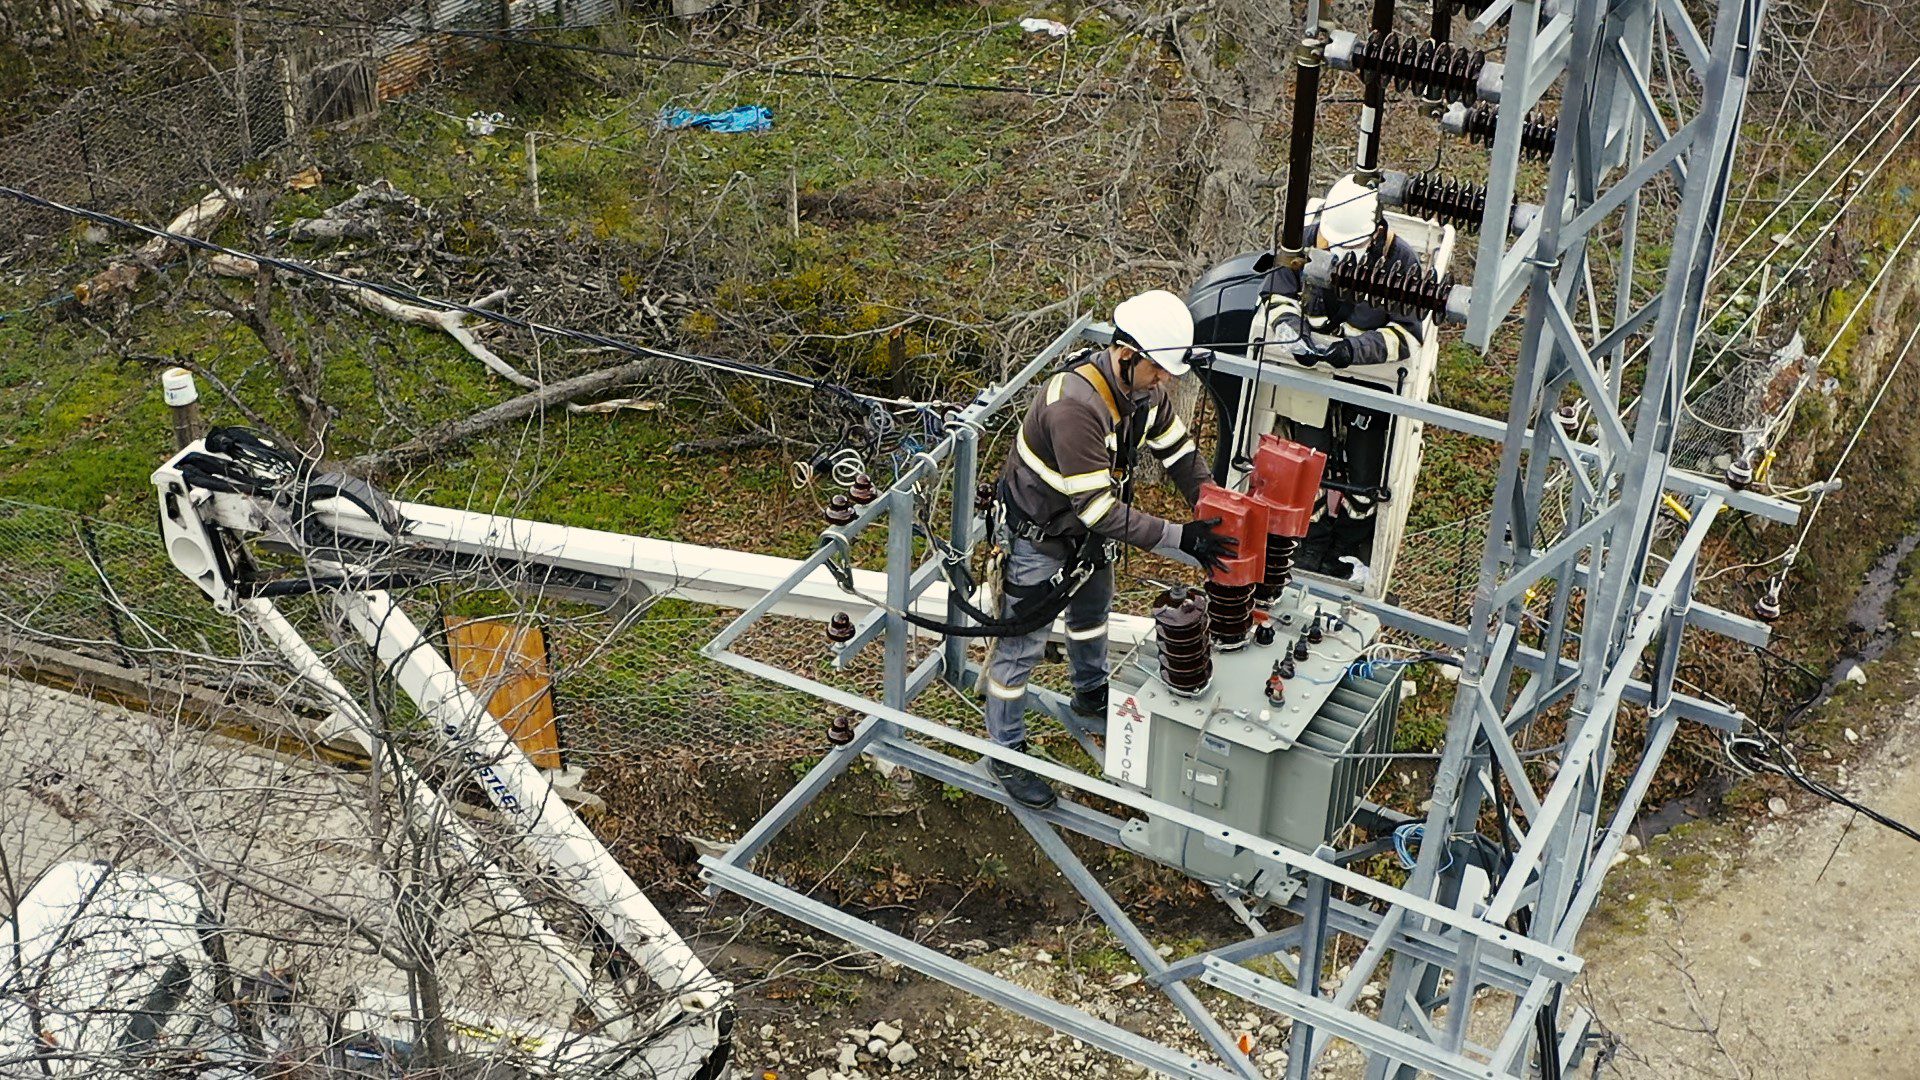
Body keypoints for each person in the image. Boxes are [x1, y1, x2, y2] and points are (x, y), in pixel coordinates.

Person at [984, 289, 1239, 809]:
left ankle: (1090, 690)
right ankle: (1005, 754)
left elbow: (1181, 455)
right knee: (1021, 649)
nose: (1165, 379)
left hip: (1086, 535)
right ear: (1126, 355)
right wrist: (1181, 538)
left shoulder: (1144, 396)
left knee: (1093, 612)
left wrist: (1210, 507)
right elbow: (1096, 508)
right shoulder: (1074, 408)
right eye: (1158, 369)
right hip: (1042, 538)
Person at [1253, 174, 1428, 580]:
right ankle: (1309, 543)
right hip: (1312, 377)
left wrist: (1350, 351)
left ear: (1374, 233)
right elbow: (1277, 291)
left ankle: (1349, 545)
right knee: (1310, 460)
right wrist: (1291, 334)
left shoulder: (1401, 264)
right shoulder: (1312, 238)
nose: (1335, 255)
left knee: (1364, 470)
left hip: (1368, 381)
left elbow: (1406, 335)